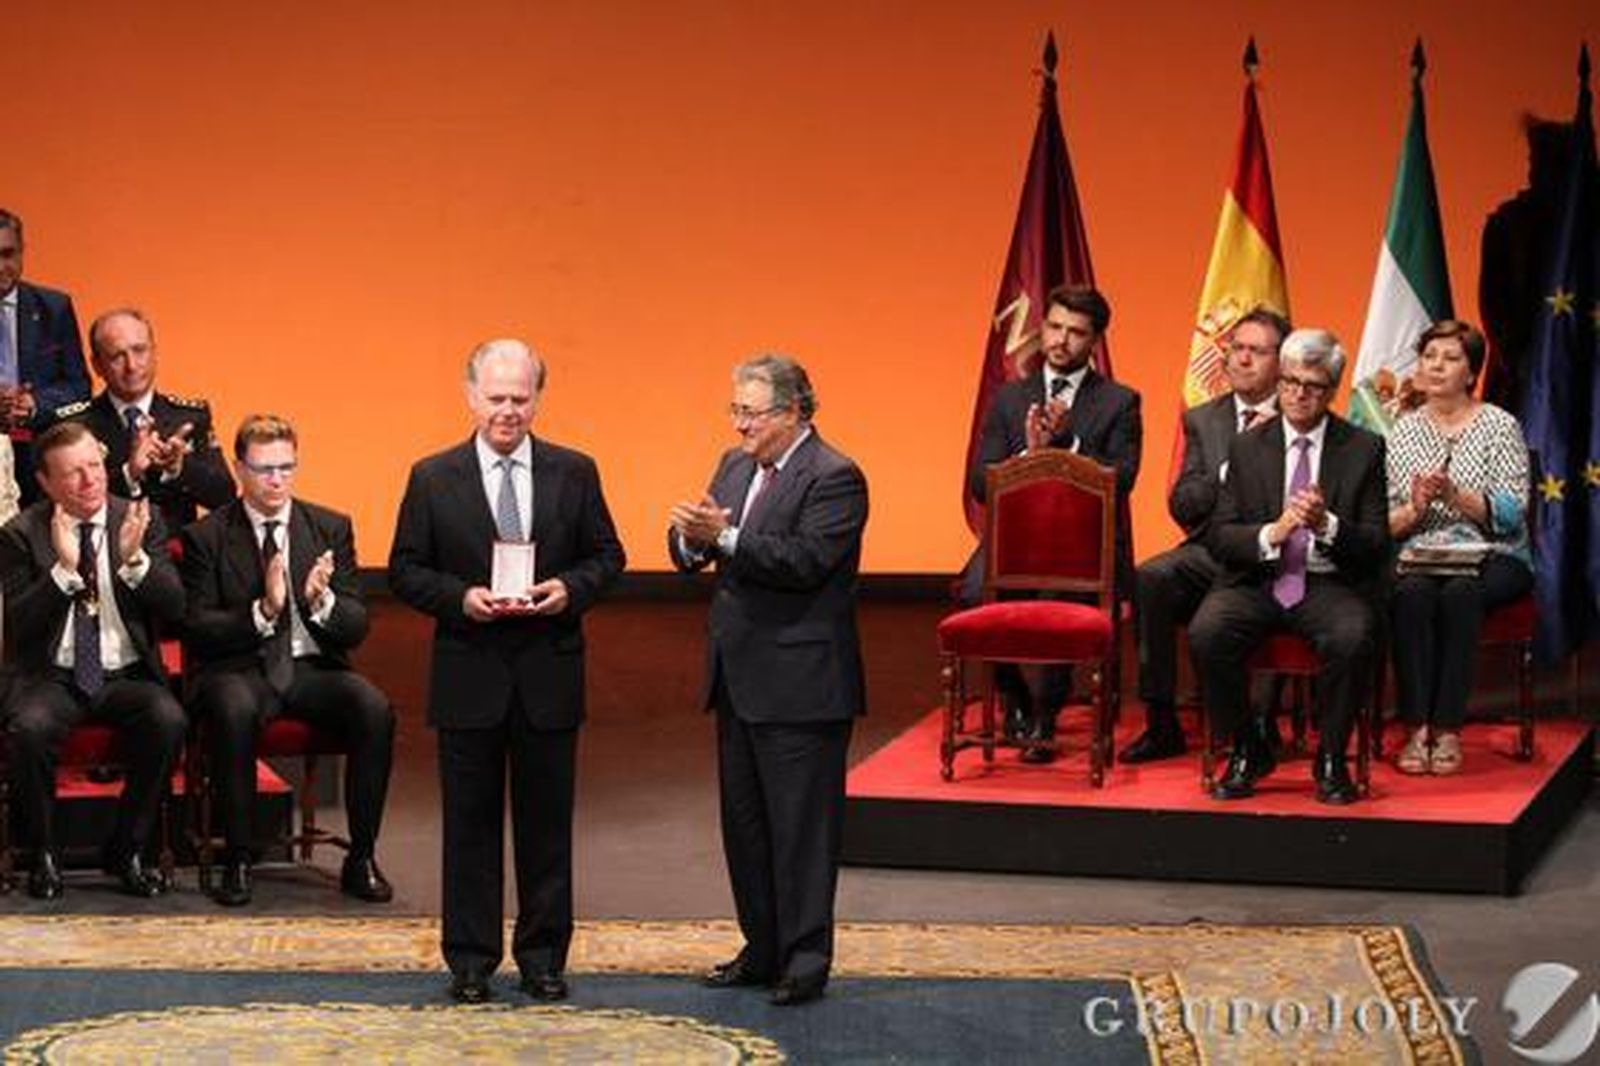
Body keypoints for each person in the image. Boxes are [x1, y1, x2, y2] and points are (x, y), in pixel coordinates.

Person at [390, 339, 624, 1005]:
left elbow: (608, 556)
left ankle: (544, 958)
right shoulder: (432, 476)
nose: (508, 411)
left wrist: (569, 590)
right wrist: (460, 599)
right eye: (496, 398)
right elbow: (406, 568)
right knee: (469, 827)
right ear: (470, 396)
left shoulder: (574, 472)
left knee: (547, 827)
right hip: (469, 674)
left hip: (549, 674)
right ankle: (469, 961)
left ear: (538, 399)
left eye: (521, 399)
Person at [669, 354, 867, 1007]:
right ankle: (762, 947)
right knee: (747, 826)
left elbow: (805, 560)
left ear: (793, 412)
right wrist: (689, 541)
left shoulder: (835, 477)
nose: (739, 424)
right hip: (738, 677)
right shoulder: (735, 465)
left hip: (802, 683)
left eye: (750, 413)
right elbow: (706, 541)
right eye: (735, 410)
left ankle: (806, 959)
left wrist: (722, 538)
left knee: (801, 829)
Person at [180, 414, 396, 906]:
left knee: (374, 708)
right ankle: (238, 857)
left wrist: (321, 602)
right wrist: (264, 610)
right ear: (240, 470)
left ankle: (361, 856)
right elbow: (197, 628)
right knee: (233, 708)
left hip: (310, 668)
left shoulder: (328, 527)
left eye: (286, 467)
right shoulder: (207, 536)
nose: (276, 480)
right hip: (240, 668)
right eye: (264, 469)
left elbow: (356, 626)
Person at [1189, 329, 1388, 805]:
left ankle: (1332, 757)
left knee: (1353, 634)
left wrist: (1328, 525)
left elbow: (1377, 542)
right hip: (1257, 578)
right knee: (1207, 632)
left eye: (1313, 386)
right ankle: (1247, 747)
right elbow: (1221, 535)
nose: (1299, 394)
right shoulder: (1246, 446)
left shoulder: (1362, 449)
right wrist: (1270, 535)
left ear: (1332, 391)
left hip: (1325, 581)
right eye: (1290, 382)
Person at [0, 420, 185, 898]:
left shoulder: (139, 518)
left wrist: (133, 563)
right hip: (52, 676)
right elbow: (20, 623)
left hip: (124, 673)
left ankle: (129, 849)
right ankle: (42, 853)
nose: (90, 480)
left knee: (167, 720)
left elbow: (176, 606)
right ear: (45, 483)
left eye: (94, 466)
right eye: (73, 473)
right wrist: (63, 569)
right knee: (30, 728)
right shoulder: (22, 533)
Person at [968, 283, 1142, 763]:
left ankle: (1047, 712)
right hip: (1016, 542)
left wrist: (1068, 447)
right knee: (972, 593)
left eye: (1076, 333)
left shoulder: (1119, 401)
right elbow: (980, 483)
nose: (1062, 341)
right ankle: (1015, 696)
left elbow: (1122, 479)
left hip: (1087, 544)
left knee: (1069, 596)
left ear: (1094, 342)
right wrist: (1028, 455)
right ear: (1043, 328)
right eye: (1055, 327)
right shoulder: (1008, 399)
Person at [1127, 308, 1288, 764]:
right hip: (1211, 551)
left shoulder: (1299, 416)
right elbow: (1183, 505)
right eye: (1237, 349)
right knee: (1152, 578)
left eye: (1256, 351)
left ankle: (1261, 716)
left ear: (1281, 362)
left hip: (1274, 555)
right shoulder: (1205, 420)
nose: (1242, 360)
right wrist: (1230, 466)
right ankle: (1161, 721)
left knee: (1278, 583)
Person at [1387, 321, 1533, 775]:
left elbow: (1513, 513)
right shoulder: (1402, 429)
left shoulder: (1498, 424)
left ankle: (1448, 728)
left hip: (1495, 553)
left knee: (1460, 594)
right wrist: (1415, 507)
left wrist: (1456, 496)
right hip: (1420, 552)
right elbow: (1384, 518)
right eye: (1430, 356)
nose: (1436, 366)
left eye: (1450, 358)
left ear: (1471, 372)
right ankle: (1416, 727)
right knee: (1411, 595)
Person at [51, 308, 234, 534]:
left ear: (154, 352)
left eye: (139, 351)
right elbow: (55, 507)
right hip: (104, 557)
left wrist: (179, 469)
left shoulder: (189, 417)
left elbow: (225, 496)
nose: (132, 366)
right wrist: (129, 474)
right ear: (97, 365)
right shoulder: (73, 426)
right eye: (117, 356)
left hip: (175, 559)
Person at [0, 209, 92, 503]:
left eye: (7, 254)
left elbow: (79, 387)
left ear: (22, 251)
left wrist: (35, 404)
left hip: (40, 457)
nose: (0, 266)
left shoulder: (54, 308)